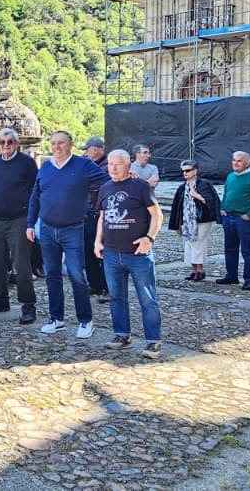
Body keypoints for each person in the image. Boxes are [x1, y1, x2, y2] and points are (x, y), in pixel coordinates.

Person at [29, 131, 110, 339]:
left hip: (72, 229)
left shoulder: (83, 165)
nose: (57, 147)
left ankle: (85, 320)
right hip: (47, 228)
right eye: (53, 143)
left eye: (61, 143)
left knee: (76, 275)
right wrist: (30, 223)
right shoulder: (46, 167)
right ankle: (56, 319)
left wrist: (128, 178)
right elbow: (36, 195)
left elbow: (108, 181)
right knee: (52, 275)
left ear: (71, 144)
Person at [95, 149, 164, 360]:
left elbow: (157, 214)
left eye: (118, 164)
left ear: (128, 165)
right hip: (112, 254)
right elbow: (102, 217)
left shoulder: (140, 186)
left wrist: (149, 238)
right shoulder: (105, 188)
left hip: (138, 254)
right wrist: (98, 241)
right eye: (110, 164)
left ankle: (153, 340)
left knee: (147, 298)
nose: (113, 168)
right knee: (116, 297)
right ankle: (122, 335)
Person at [0, 127, 38, 324]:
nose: (6, 145)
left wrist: (32, 217)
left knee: (21, 264)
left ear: (16, 143)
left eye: (10, 141)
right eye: (2, 142)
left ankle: (28, 305)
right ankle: (1, 299)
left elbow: (36, 189)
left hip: (19, 219)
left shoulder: (27, 162)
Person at [218, 150, 250, 290]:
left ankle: (249, 279)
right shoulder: (230, 176)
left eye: (239, 161)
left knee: (247, 250)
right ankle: (231, 275)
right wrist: (222, 207)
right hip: (228, 217)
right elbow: (226, 194)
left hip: (243, 219)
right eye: (234, 160)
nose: (235, 163)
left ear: (247, 163)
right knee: (230, 249)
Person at [169, 159, 219, 281]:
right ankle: (194, 269)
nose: (185, 173)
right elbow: (177, 207)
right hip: (187, 220)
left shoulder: (204, 184)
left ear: (195, 171)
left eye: (188, 170)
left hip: (202, 219)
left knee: (197, 243)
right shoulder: (182, 188)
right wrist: (177, 225)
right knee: (189, 243)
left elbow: (212, 201)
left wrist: (197, 196)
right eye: (183, 171)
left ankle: (200, 270)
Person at [79, 136, 110, 301]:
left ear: (95, 150)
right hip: (85, 213)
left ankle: (107, 287)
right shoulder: (88, 165)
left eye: (87, 150)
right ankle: (94, 284)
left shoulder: (107, 167)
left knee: (102, 251)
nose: (85, 153)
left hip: (98, 214)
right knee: (88, 251)